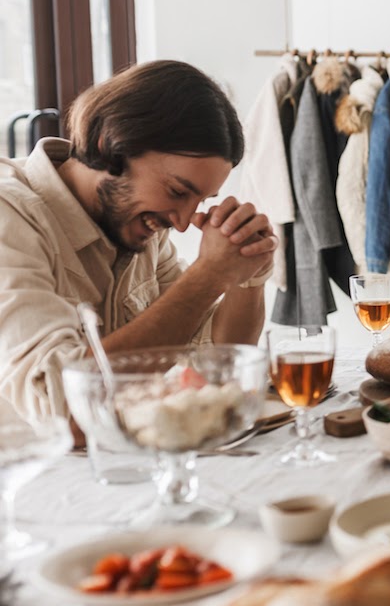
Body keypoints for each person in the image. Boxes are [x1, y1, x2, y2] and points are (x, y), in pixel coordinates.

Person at [0, 60, 276, 419]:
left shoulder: (140, 228)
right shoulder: (11, 216)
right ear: (110, 145)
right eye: (177, 191)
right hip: (30, 471)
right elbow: (62, 411)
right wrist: (208, 276)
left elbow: (215, 369)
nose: (181, 223)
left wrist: (246, 275)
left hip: (126, 461)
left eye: (200, 202)